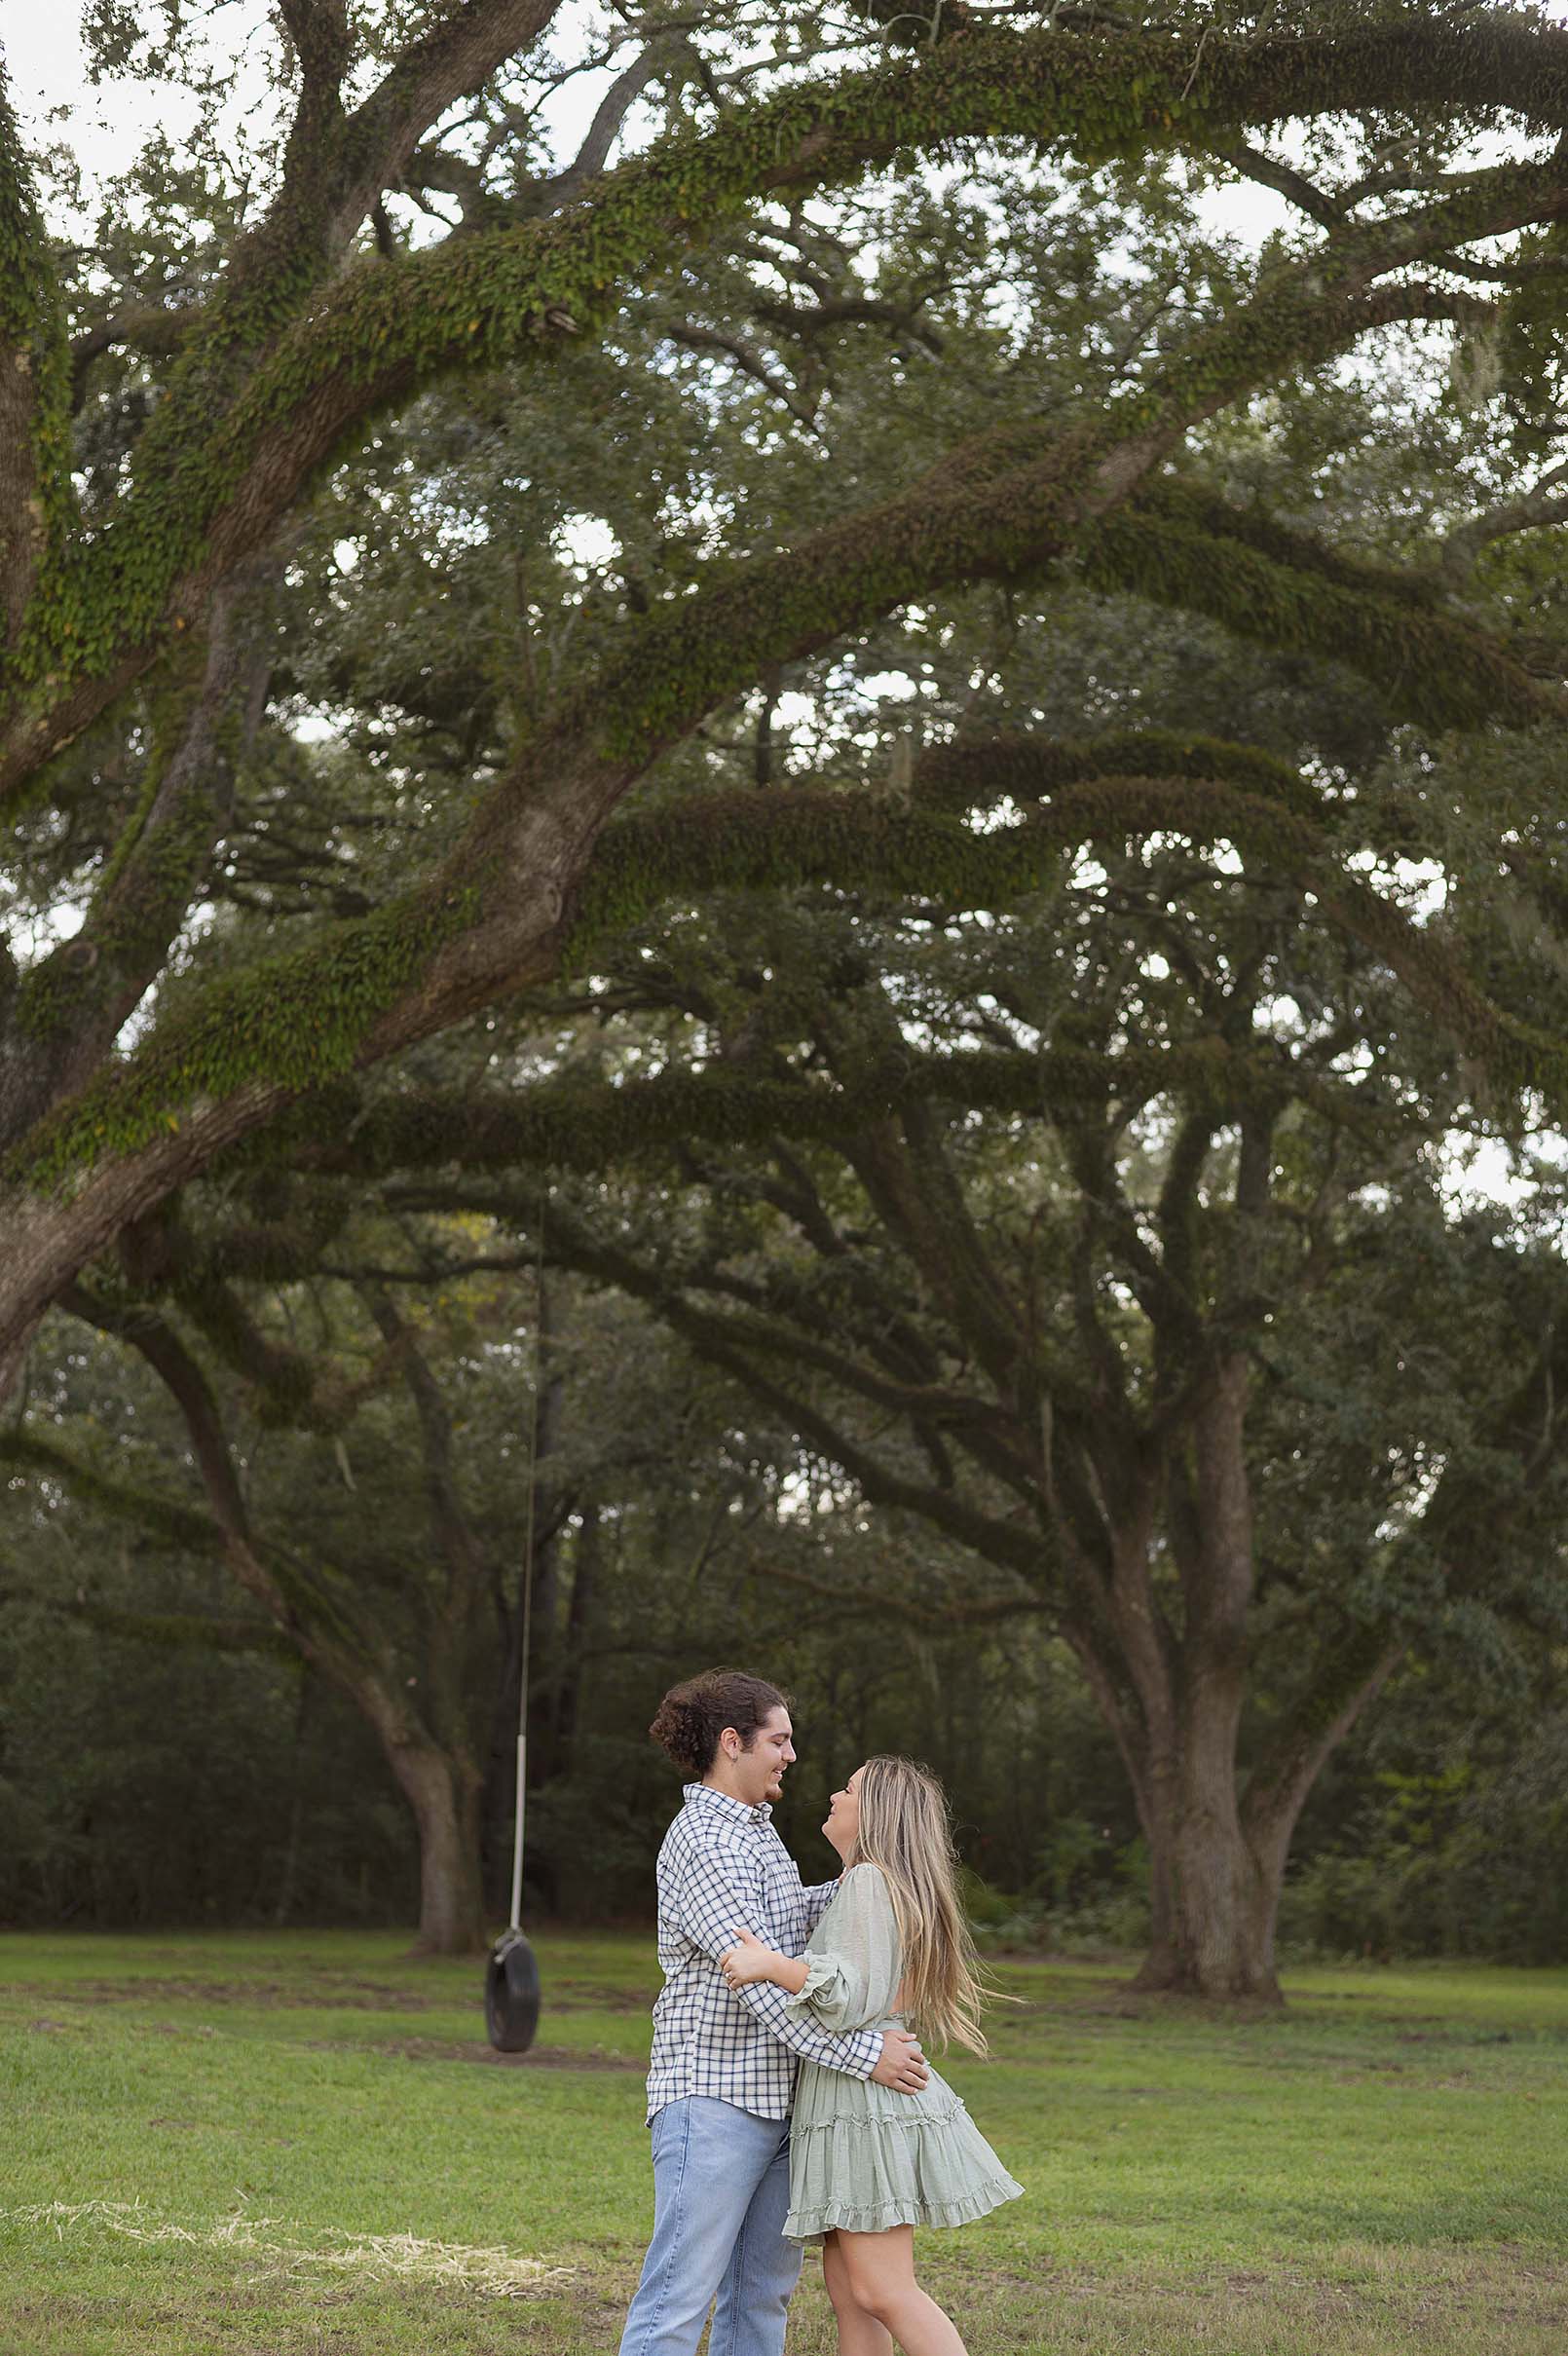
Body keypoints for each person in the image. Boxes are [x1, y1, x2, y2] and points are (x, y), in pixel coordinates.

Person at [617, 1669, 932, 2356]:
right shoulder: (705, 1840)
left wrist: (865, 1884)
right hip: (714, 2101)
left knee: (760, 2301)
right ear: (733, 1742)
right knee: (676, 2300)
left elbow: (788, 1932)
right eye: (779, 1739)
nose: (791, 1754)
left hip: (778, 2105)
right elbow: (761, 1990)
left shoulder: (756, 1832)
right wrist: (866, 2055)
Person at [719, 1755, 1024, 2356]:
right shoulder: (880, 1885)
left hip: (865, 2104)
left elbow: (850, 1995)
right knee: (852, 2295)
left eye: (850, 1788)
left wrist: (771, 1965)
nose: (834, 1794)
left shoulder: (868, 1882)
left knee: (883, 2289)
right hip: (853, 2099)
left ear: (876, 1811)